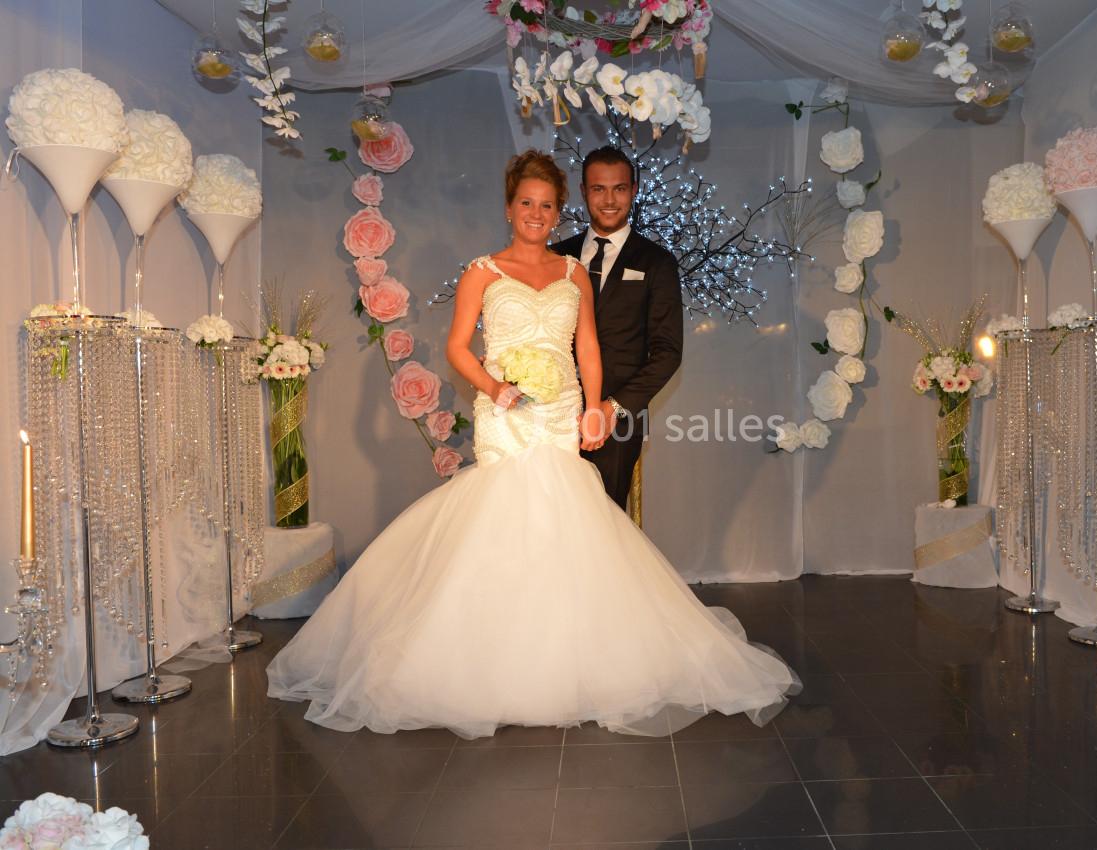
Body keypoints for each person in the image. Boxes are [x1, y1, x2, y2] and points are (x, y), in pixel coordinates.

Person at [265, 150, 799, 738]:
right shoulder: (483, 271)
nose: (537, 213)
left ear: (562, 208)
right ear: (510, 207)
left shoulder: (578, 272)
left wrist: (595, 407)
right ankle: (489, 660)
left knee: (575, 527)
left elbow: (590, 346)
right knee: (502, 523)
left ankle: (578, 658)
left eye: (547, 205)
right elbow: (458, 347)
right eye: (527, 203)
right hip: (506, 413)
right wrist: (495, 387)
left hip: (568, 413)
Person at [551, 146, 682, 508]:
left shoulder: (656, 262)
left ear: (634, 190)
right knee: (548, 517)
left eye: (619, 189)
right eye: (599, 189)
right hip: (550, 412)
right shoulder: (556, 256)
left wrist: (613, 407)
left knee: (601, 518)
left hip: (616, 423)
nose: (609, 200)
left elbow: (668, 353)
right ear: (583, 191)